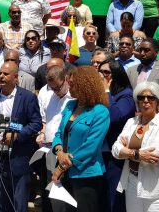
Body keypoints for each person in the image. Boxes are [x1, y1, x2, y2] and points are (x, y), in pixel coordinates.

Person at [0, 61, 42, 212]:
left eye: (5, 74)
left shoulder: (27, 97)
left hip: (19, 157)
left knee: (18, 200)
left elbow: (36, 124)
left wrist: (15, 134)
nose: (1, 76)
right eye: (0, 73)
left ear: (15, 77)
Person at [51, 66, 110, 212]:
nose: (69, 87)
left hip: (86, 174)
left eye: (72, 84)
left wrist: (61, 166)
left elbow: (90, 147)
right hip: (66, 173)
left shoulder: (100, 112)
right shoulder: (70, 105)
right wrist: (59, 152)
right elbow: (59, 133)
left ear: (85, 85)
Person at [112, 81, 159, 211]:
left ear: (157, 101)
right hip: (132, 182)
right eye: (141, 98)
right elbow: (115, 149)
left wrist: (126, 149)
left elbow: (154, 154)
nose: (145, 101)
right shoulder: (131, 122)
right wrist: (136, 154)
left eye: (150, 97)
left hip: (155, 187)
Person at [98, 59, 135, 212]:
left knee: (114, 196)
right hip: (100, 151)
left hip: (115, 154)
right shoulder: (101, 93)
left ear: (116, 74)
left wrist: (106, 92)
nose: (102, 76)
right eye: (100, 72)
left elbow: (115, 116)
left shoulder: (126, 95)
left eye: (106, 72)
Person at [36, 65, 73, 211]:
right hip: (48, 151)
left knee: (65, 197)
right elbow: (47, 121)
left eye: (58, 88)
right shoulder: (49, 96)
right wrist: (43, 133)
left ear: (66, 80)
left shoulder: (73, 99)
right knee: (52, 195)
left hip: (65, 153)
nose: (55, 92)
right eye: (52, 89)